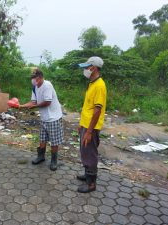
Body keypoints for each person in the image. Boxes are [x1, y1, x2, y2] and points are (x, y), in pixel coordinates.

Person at [19, 68, 63, 171]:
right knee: (42, 139)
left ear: (40, 78)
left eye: (35, 78)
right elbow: (33, 102)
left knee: (54, 141)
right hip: (44, 118)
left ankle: (54, 161)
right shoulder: (34, 87)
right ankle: (41, 156)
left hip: (53, 117)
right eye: (33, 79)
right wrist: (21, 106)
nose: (34, 81)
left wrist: (34, 106)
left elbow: (47, 102)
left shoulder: (47, 85)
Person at [77, 56, 107, 193]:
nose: (85, 69)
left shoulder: (100, 86)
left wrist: (89, 131)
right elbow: (87, 107)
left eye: (87, 67)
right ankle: (87, 174)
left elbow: (97, 111)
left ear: (93, 68)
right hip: (86, 124)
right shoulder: (92, 83)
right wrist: (81, 124)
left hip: (92, 127)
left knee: (90, 153)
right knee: (85, 151)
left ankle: (91, 184)